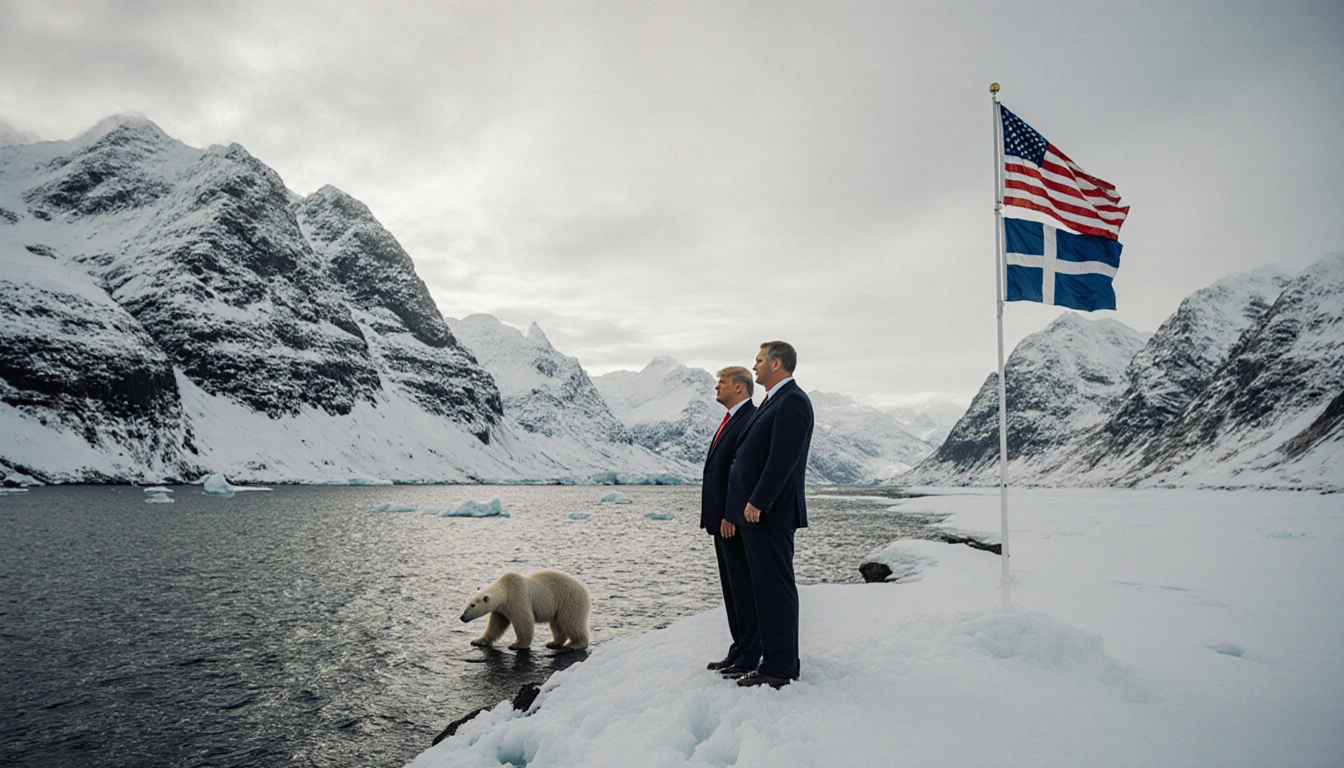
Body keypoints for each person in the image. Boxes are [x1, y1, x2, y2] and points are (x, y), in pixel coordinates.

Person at [723, 341, 814, 689]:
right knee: (764, 589)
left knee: (775, 589)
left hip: (771, 514)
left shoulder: (792, 401)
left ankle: (780, 666)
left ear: (777, 364)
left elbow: (783, 458)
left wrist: (759, 500)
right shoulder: (773, 401)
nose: (755, 366)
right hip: (759, 515)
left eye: (759, 360)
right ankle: (771, 659)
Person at [700, 366, 757, 677]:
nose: (716, 387)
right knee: (732, 589)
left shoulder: (749, 418)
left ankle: (749, 654)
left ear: (739, 388)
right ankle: (740, 649)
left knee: (742, 589)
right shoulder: (732, 419)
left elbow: (741, 472)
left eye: (722, 383)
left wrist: (730, 514)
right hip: (720, 520)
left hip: (730, 521)